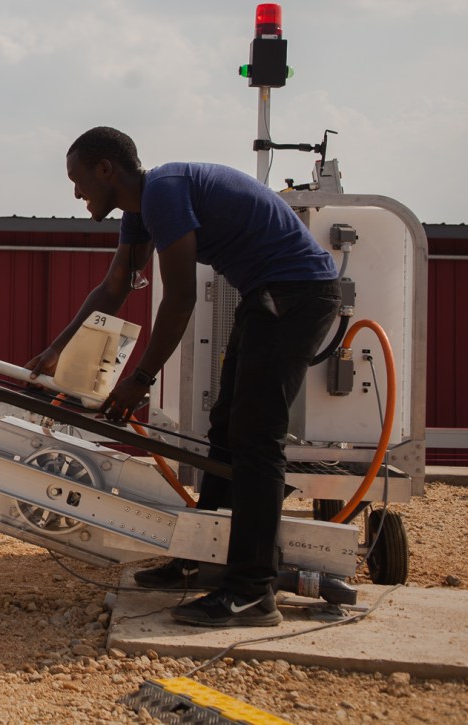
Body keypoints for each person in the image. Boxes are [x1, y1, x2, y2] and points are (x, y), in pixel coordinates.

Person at [27, 127, 339, 627]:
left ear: (107, 169)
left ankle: (252, 592)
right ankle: (206, 559)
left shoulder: (165, 192)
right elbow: (114, 288)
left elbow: (180, 298)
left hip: (297, 295)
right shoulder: (140, 210)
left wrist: (141, 379)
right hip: (269, 294)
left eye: (78, 179)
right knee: (226, 430)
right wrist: (55, 349)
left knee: (257, 441)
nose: (76, 191)